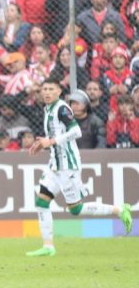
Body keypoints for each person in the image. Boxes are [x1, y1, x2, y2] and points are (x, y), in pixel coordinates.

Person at [26, 79, 132, 257]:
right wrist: (43, 144)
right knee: (41, 201)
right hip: (55, 164)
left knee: (75, 209)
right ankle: (48, 246)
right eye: (44, 89)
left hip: (68, 165)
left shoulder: (61, 108)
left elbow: (76, 131)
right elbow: (57, 134)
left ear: (60, 91)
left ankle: (120, 210)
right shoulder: (48, 108)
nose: (46, 92)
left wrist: (50, 141)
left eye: (51, 88)